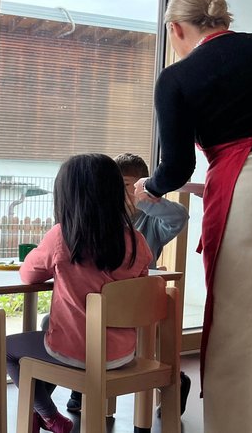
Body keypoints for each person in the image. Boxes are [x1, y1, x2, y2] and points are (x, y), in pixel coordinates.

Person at [132, 0, 252, 430]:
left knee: (240, 324)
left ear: (175, 29)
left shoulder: (177, 78)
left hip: (246, 190)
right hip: (241, 180)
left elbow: (176, 165)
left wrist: (149, 186)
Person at [7, 154, 153, 433]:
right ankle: (39, 409)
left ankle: (49, 415)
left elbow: (28, 275)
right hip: (123, 353)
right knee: (49, 324)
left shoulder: (62, 236)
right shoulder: (137, 242)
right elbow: (138, 292)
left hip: (79, 354)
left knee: (7, 350)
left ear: (67, 197)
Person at [64, 152, 191, 414]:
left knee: (122, 340)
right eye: (116, 185)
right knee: (74, 324)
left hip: (134, 307)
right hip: (99, 302)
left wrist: (145, 199)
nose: (121, 192)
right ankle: (81, 387)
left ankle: (177, 381)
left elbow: (179, 217)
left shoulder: (151, 224)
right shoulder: (99, 220)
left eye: (128, 186)